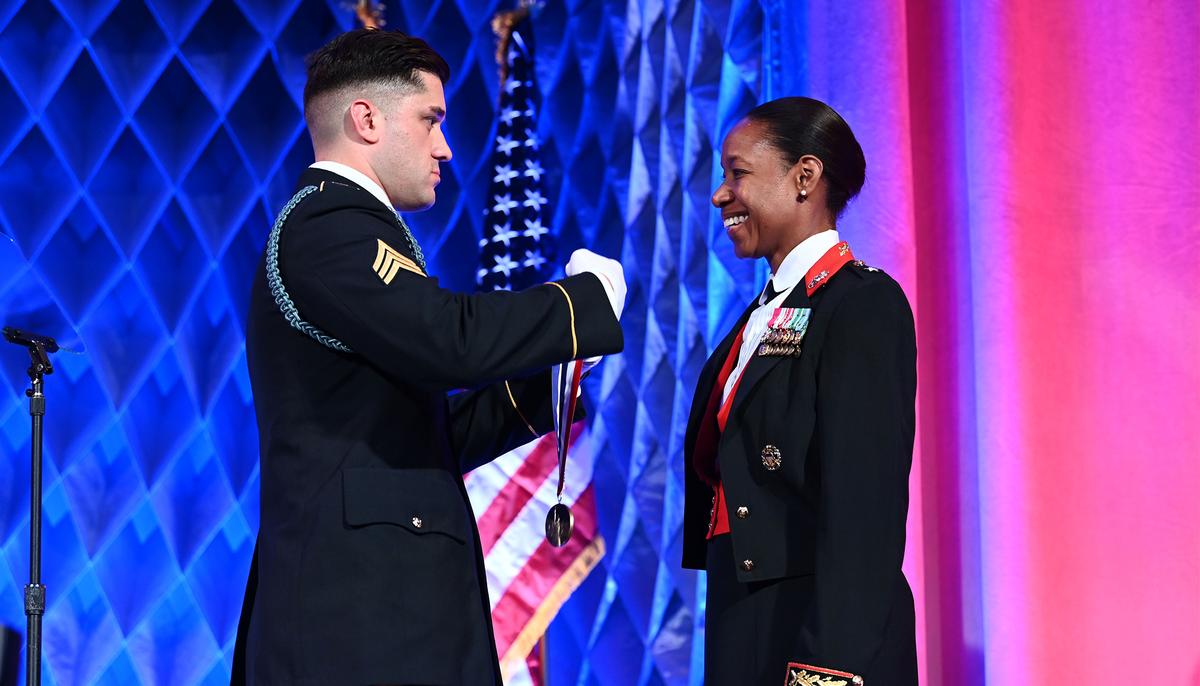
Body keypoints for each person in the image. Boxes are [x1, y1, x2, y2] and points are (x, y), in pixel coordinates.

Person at [231, 29, 625, 685]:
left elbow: (420, 432)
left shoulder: (349, 229)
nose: (445, 146)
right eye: (430, 120)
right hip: (358, 620)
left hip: (382, 611)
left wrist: (553, 378)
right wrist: (576, 308)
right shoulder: (330, 226)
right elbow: (448, 341)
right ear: (366, 118)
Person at [681, 97, 918, 684]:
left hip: (823, 630)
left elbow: (865, 511)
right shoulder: (762, 316)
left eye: (738, 173)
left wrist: (826, 668)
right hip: (748, 612)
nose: (720, 194)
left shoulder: (861, 304)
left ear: (804, 177)